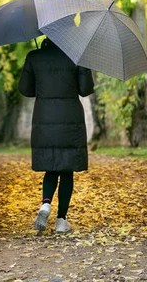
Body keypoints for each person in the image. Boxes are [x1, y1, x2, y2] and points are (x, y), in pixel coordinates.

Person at [18, 38, 94, 233]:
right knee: (66, 169)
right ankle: (61, 220)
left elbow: (25, 89)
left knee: (51, 166)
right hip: (70, 119)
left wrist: (42, 80)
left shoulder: (34, 57)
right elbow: (86, 90)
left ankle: (45, 204)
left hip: (44, 118)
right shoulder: (76, 56)